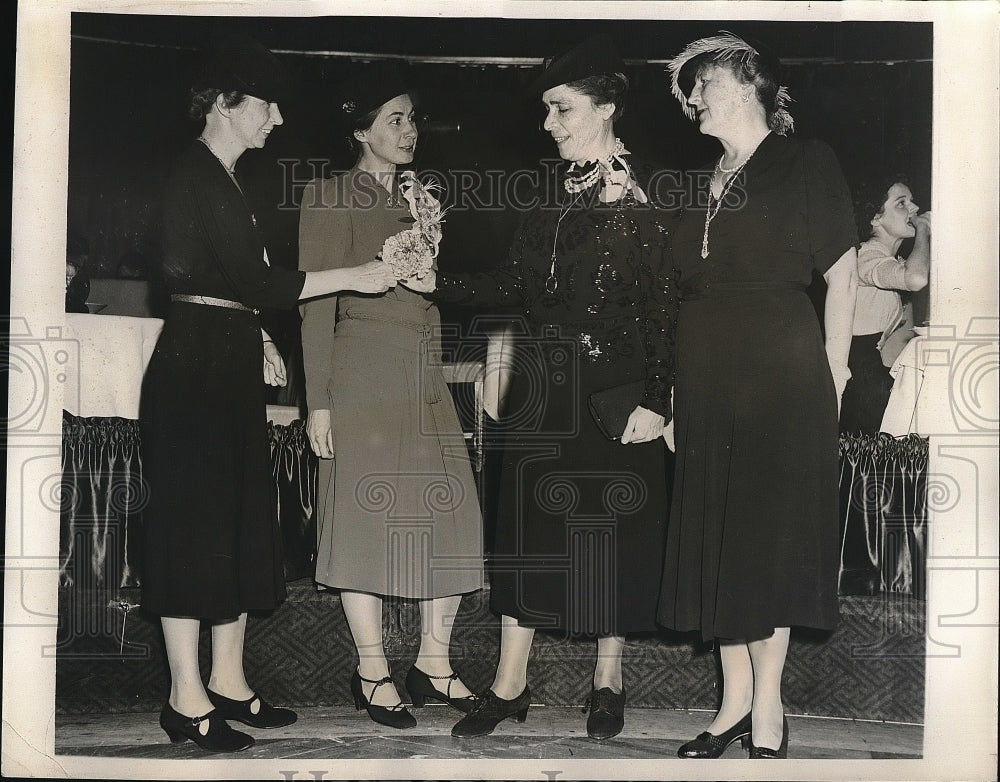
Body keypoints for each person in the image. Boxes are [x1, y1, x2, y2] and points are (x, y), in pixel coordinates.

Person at [140, 36, 396, 753]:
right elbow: (253, 283)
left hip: (220, 361)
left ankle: (228, 683)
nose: (277, 119)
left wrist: (254, 334)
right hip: (194, 373)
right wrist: (357, 274)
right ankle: (184, 699)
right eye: (266, 104)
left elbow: (227, 287)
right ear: (225, 104)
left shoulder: (221, 177)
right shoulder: (192, 172)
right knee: (193, 531)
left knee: (232, 522)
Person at [431, 35, 676, 741]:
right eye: (546, 111)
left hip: (616, 389)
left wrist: (656, 398)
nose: (550, 125)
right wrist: (434, 281)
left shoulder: (651, 187)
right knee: (527, 533)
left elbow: (665, 303)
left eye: (562, 110)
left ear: (606, 107)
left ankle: (608, 680)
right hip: (544, 383)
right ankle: (510, 685)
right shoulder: (545, 190)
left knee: (610, 535)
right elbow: (513, 284)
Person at [657, 32, 858, 759]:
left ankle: (766, 706)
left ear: (742, 84)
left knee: (768, 541)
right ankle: (732, 702)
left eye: (698, 85)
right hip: (706, 373)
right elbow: (680, 291)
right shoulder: (699, 178)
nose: (689, 100)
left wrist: (835, 369)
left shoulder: (807, 162)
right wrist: (676, 395)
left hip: (782, 370)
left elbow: (842, 272)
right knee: (720, 539)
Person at [298, 62, 484, 730]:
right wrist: (318, 400)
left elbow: (429, 294)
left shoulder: (422, 199)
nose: (410, 130)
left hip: (421, 372)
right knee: (363, 521)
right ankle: (372, 668)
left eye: (413, 119)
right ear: (360, 130)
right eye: (395, 119)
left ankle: (433, 662)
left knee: (455, 515)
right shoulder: (327, 196)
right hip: (359, 373)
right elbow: (314, 304)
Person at [840, 178, 931, 433]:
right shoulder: (866, 255)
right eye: (901, 203)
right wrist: (923, 229)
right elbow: (916, 278)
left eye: (912, 201)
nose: (914, 208)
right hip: (857, 371)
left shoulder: (892, 261)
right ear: (875, 218)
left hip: (867, 367)